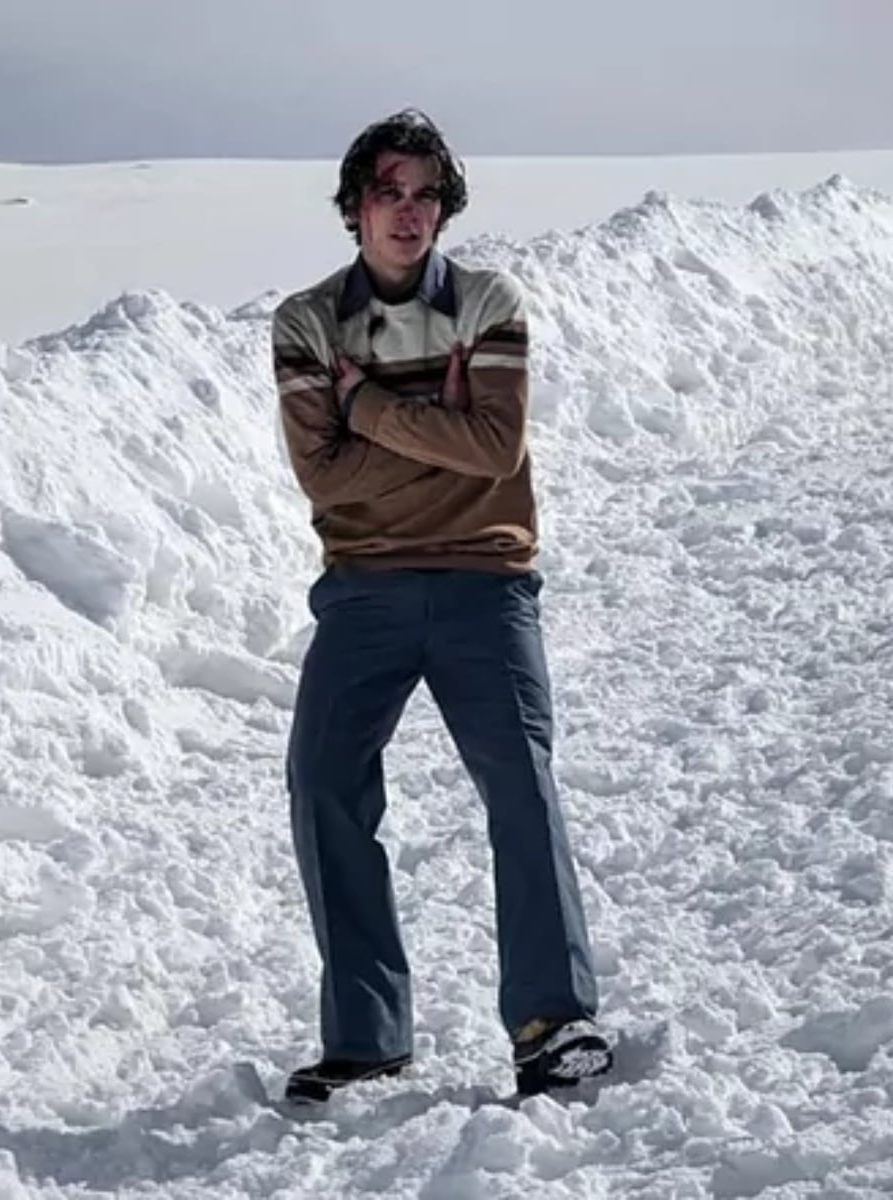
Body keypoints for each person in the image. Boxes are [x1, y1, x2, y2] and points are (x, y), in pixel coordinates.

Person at [270, 109, 612, 1102]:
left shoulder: (487, 301)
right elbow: (325, 480)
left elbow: (494, 451)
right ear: (354, 207)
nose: (408, 211)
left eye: (425, 193)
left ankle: (554, 1023)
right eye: (388, 190)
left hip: (485, 586)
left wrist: (368, 408)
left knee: (520, 787)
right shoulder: (305, 322)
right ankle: (367, 1036)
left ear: (445, 206)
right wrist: (439, 428)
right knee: (322, 785)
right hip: (362, 596)